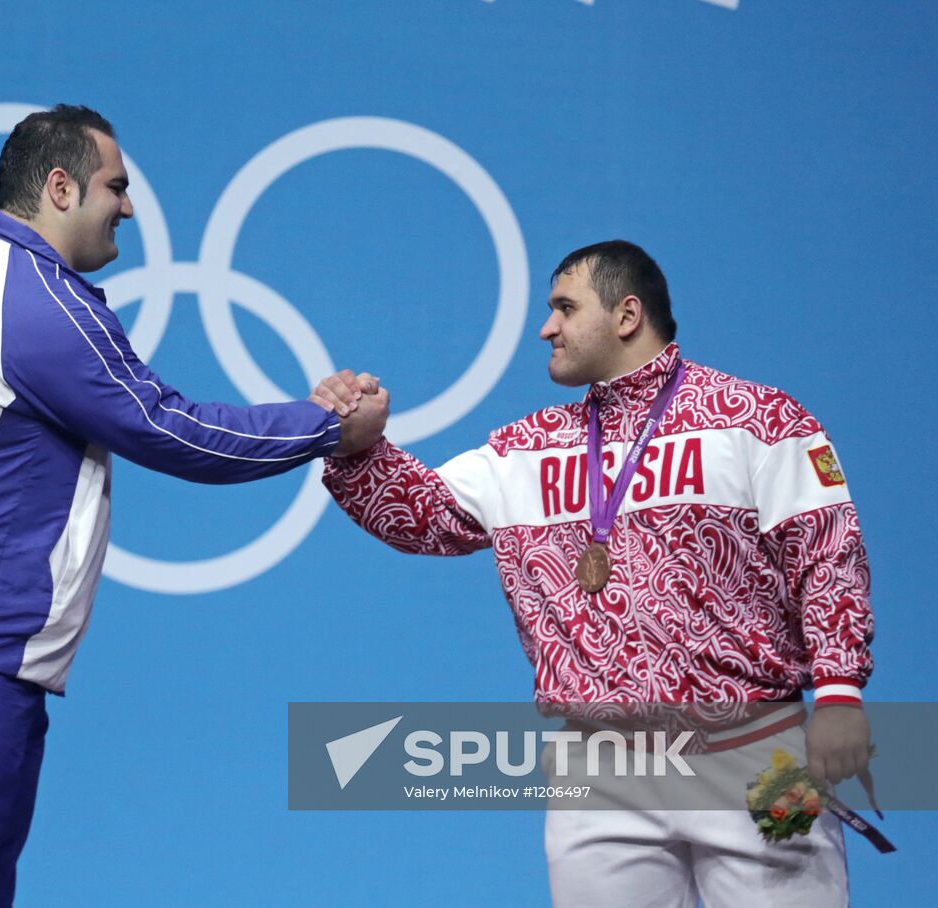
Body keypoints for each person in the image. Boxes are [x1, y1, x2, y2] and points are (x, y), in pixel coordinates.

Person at [0, 104, 380, 907]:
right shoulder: (35, 303)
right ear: (60, 187)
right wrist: (328, 427)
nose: (129, 206)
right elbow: (171, 429)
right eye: (116, 186)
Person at [312, 240, 874, 906]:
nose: (547, 327)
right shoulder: (524, 449)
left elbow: (827, 555)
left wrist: (839, 692)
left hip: (761, 755)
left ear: (627, 314)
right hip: (598, 778)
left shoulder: (760, 421)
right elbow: (424, 518)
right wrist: (357, 447)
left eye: (564, 308)